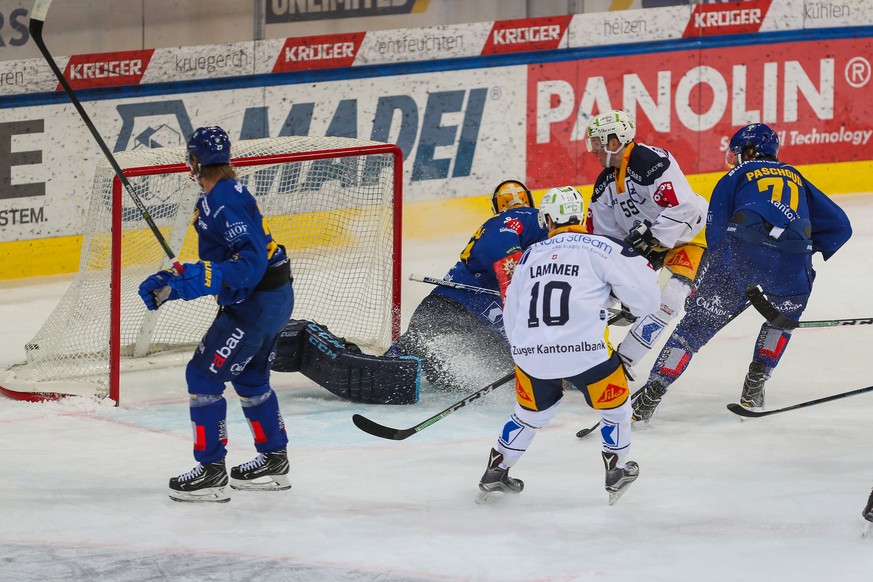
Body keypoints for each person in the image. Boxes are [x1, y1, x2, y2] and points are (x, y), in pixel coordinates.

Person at [631, 123, 852, 422]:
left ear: (748, 151)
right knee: (781, 320)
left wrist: (719, 275)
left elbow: (716, 230)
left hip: (741, 256)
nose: (733, 159)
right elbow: (841, 225)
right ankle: (755, 384)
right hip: (792, 267)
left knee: (693, 330)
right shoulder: (797, 177)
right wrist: (802, 251)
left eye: (736, 153)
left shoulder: (735, 175)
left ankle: (652, 393)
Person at [476, 186, 660, 506]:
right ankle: (616, 469)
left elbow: (511, 309)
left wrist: (526, 351)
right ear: (582, 216)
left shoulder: (528, 255)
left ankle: (496, 470)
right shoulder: (602, 246)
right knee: (616, 409)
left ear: (547, 219)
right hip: (585, 355)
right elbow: (647, 300)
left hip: (530, 354)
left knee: (529, 414)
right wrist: (622, 302)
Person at [138, 126, 295, 503]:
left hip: (257, 303)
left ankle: (210, 471)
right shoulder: (222, 194)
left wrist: (187, 282)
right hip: (272, 298)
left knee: (203, 374)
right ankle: (274, 460)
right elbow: (230, 262)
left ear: (193, 161)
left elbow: (248, 267)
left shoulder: (223, 201)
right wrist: (181, 279)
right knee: (252, 378)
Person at [386, 180, 548, 391]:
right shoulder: (531, 221)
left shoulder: (503, 222)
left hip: (447, 300)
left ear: (497, 207)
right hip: (468, 307)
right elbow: (502, 255)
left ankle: (390, 364)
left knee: (417, 352)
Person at [584, 110, 709, 370]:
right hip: (647, 247)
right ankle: (585, 356)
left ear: (615, 142)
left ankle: (623, 363)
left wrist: (651, 237)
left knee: (670, 298)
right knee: (595, 293)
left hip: (689, 237)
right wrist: (619, 282)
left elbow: (685, 207)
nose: (592, 149)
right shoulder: (604, 183)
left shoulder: (651, 162)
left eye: (597, 142)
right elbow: (605, 240)